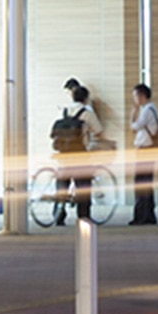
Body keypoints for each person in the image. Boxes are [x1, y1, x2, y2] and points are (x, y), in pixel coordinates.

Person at [53, 79, 104, 221]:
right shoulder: (87, 112)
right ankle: (83, 216)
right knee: (83, 185)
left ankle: (58, 216)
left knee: (62, 185)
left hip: (63, 153)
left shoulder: (63, 111)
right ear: (86, 98)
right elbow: (98, 131)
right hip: (80, 153)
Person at [130, 81, 158, 226]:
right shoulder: (151, 109)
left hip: (145, 150)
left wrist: (132, 114)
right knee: (146, 183)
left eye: (135, 96)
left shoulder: (146, 110)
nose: (134, 99)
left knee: (141, 183)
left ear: (141, 96)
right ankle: (148, 215)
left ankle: (142, 216)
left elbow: (134, 127)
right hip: (148, 150)